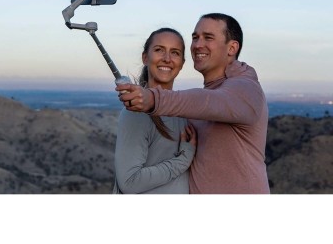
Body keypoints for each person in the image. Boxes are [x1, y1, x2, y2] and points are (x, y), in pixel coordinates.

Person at [116, 13, 270, 194]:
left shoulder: (246, 89)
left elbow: (210, 102)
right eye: (195, 38)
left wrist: (152, 98)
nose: (197, 45)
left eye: (208, 37)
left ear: (231, 48)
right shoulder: (192, 110)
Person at [114, 27, 197, 194]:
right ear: (145, 57)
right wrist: (182, 160)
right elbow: (129, 182)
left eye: (175, 53)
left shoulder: (183, 111)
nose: (167, 59)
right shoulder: (136, 113)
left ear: (182, 63)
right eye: (159, 50)